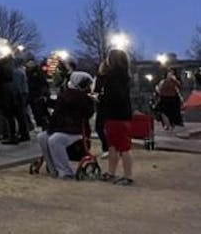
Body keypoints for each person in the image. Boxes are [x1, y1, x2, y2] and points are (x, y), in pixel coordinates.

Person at [37, 72, 95, 179]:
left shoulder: (84, 98)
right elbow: (56, 111)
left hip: (75, 130)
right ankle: (53, 168)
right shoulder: (65, 94)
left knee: (55, 140)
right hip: (61, 128)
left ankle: (65, 171)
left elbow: (88, 112)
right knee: (42, 137)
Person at [99, 49, 134, 186]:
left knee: (123, 146)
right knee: (113, 145)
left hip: (116, 115)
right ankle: (111, 172)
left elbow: (116, 96)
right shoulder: (123, 75)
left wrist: (102, 98)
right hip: (119, 114)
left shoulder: (114, 77)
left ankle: (128, 175)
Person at [26, 60, 51, 132]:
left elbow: (43, 83)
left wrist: (42, 94)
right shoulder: (28, 72)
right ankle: (40, 124)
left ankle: (45, 124)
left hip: (38, 94)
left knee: (41, 110)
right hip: (31, 94)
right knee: (35, 111)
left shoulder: (38, 72)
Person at [11, 58, 32, 141]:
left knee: (20, 115)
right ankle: (25, 132)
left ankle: (24, 134)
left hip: (20, 95)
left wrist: (15, 96)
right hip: (24, 94)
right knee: (23, 114)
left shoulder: (16, 72)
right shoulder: (22, 70)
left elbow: (17, 85)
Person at [93, 61, 110, 158]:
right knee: (104, 128)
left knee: (99, 127)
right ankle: (109, 147)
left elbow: (97, 91)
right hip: (106, 105)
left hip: (103, 105)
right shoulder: (109, 78)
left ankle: (106, 148)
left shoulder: (101, 78)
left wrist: (97, 96)